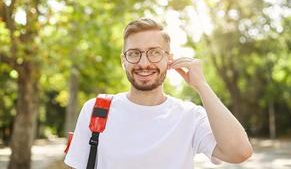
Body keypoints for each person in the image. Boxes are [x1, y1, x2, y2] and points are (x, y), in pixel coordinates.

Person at [64, 18, 253, 169]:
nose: (144, 63)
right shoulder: (96, 109)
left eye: (154, 53)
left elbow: (239, 152)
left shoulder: (190, 116)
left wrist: (202, 86)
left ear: (169, 59)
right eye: (134, 53)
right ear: (124, 60)